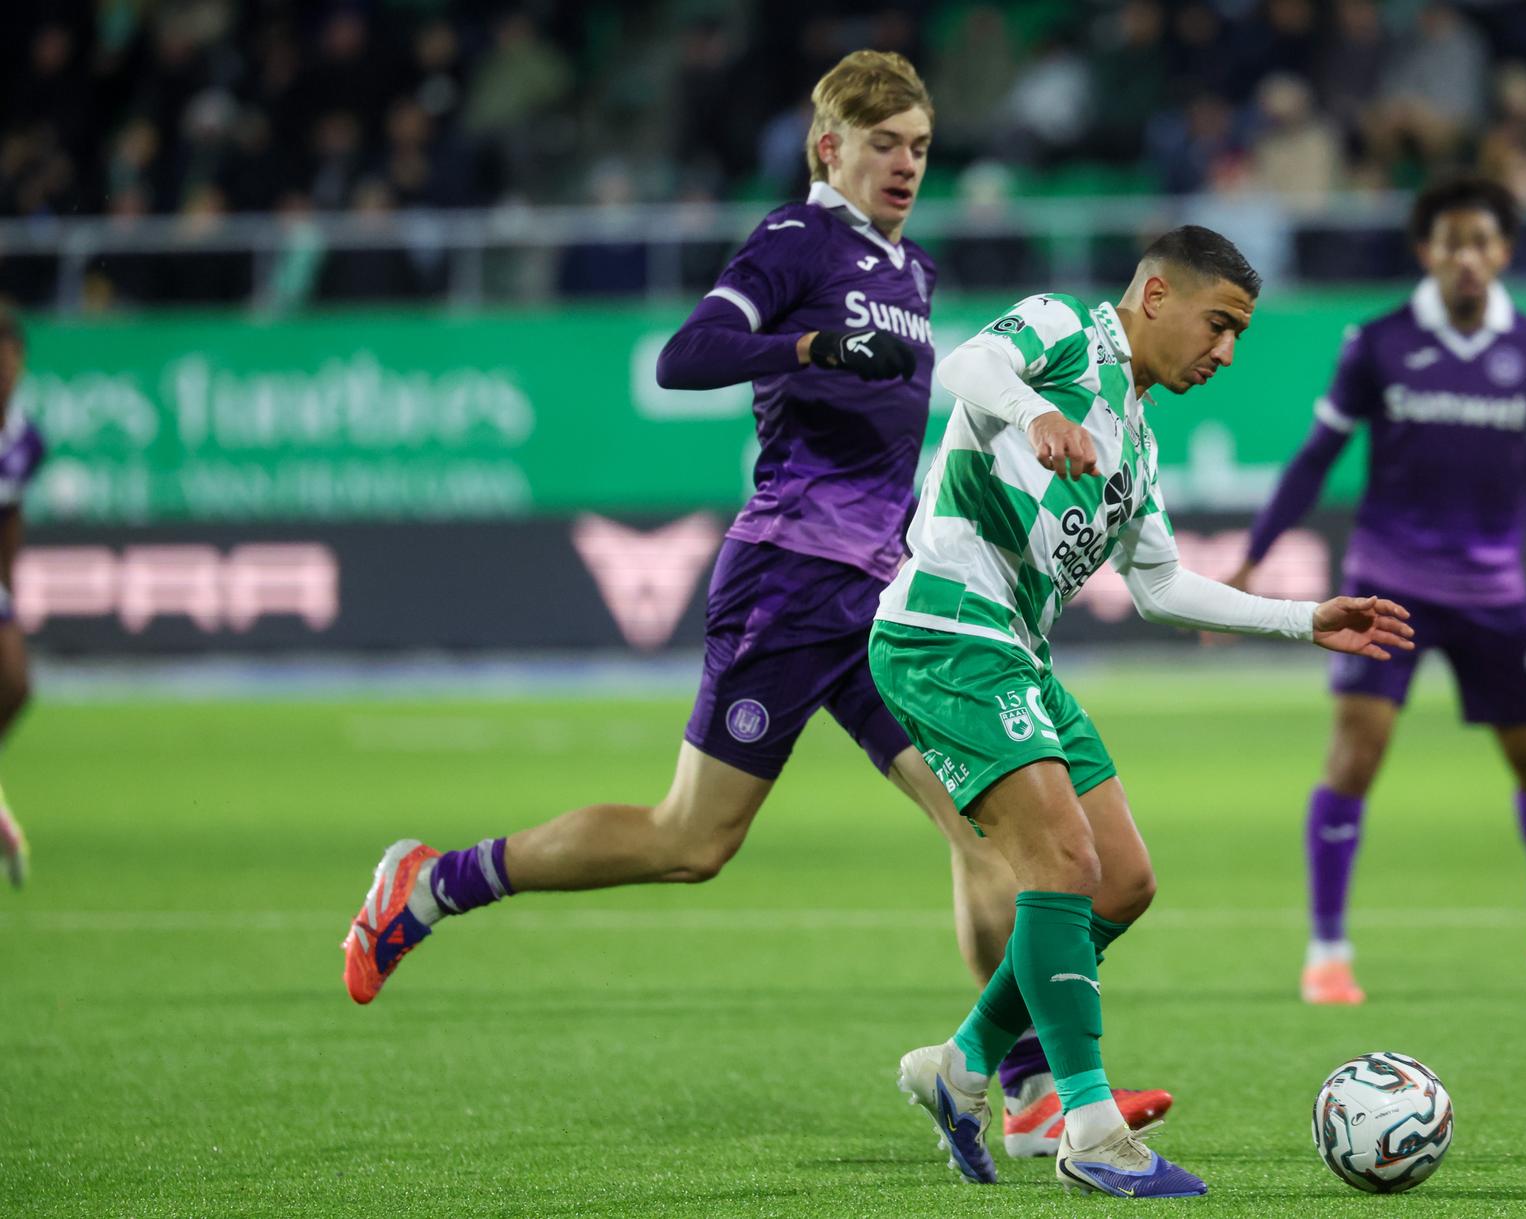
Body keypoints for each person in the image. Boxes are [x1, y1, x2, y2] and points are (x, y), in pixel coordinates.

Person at [338, 51, 1168, 1150]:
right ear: (831, 148)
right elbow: (688, 356)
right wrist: (812, 341)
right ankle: (434, 881)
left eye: (921, 147)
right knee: (692, 839)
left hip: (885, 598)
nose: (908, 165)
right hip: (789, 578)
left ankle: (1022, 1091)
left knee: (988, 825)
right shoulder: (797, 242)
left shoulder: (911, 274)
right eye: (886, 145)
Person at [876, 226, 1415, 1197]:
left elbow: (1161, 588)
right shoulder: (1061, 333)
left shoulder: (1136, 435)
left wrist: (1305, 618)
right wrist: (1036, 412)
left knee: (1120, 881)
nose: (1226, 352)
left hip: (1018, 653)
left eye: (1240, 335)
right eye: (1219, 324)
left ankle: (957, 1070)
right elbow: (966, 361)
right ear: (1157, 295)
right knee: (1063, 861)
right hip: (945, 627)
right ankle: (1087, 1131)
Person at [1225, 177, 1526, 1005]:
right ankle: (1327, 952)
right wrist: (1254, 556)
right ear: (1426, 252)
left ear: (1504, 251)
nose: (1468, 258)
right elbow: (1315, 457)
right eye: (1452, 243)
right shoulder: (1378, 341)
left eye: (1483, 242)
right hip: (1389, 585)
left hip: (1494, 592)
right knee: (1356, 756)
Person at [0, 309, 46, 889]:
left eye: (9, 362)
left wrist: (8, 588)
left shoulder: (26, 439)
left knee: (16, 685)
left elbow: (10, 514)